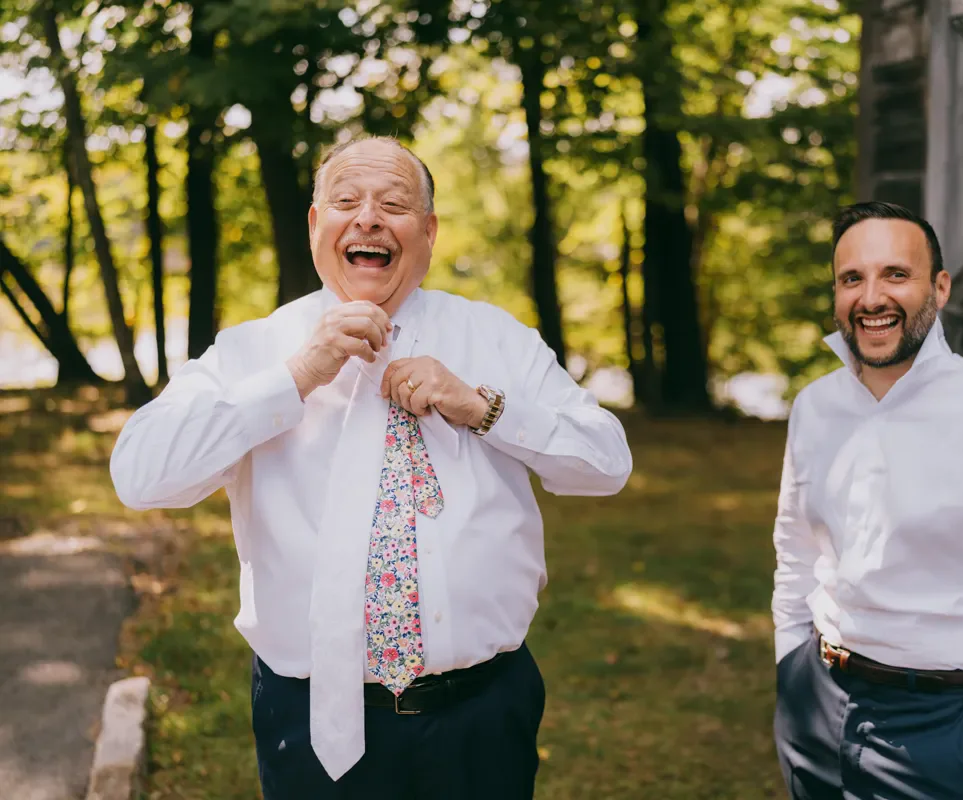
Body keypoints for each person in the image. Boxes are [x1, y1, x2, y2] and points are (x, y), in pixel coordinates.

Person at [109, 135, 633, 799]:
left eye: (394, 204)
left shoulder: (497, 339)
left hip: (483, 715)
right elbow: (140, 475)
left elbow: (606, 463)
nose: (368, 220)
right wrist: (296, 376)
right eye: (346, 201)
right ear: (314, 223)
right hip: (310, 724)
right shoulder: (255, 350)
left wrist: (481, 407)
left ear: (429, 231)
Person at [771, 201, 963, 799]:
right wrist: (791, 666)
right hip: (816, 701)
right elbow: (795, 549)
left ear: (939, 288)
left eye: (895, 274)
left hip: (942, 729)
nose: (871, 298)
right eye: (851, 279)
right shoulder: (814, 407)